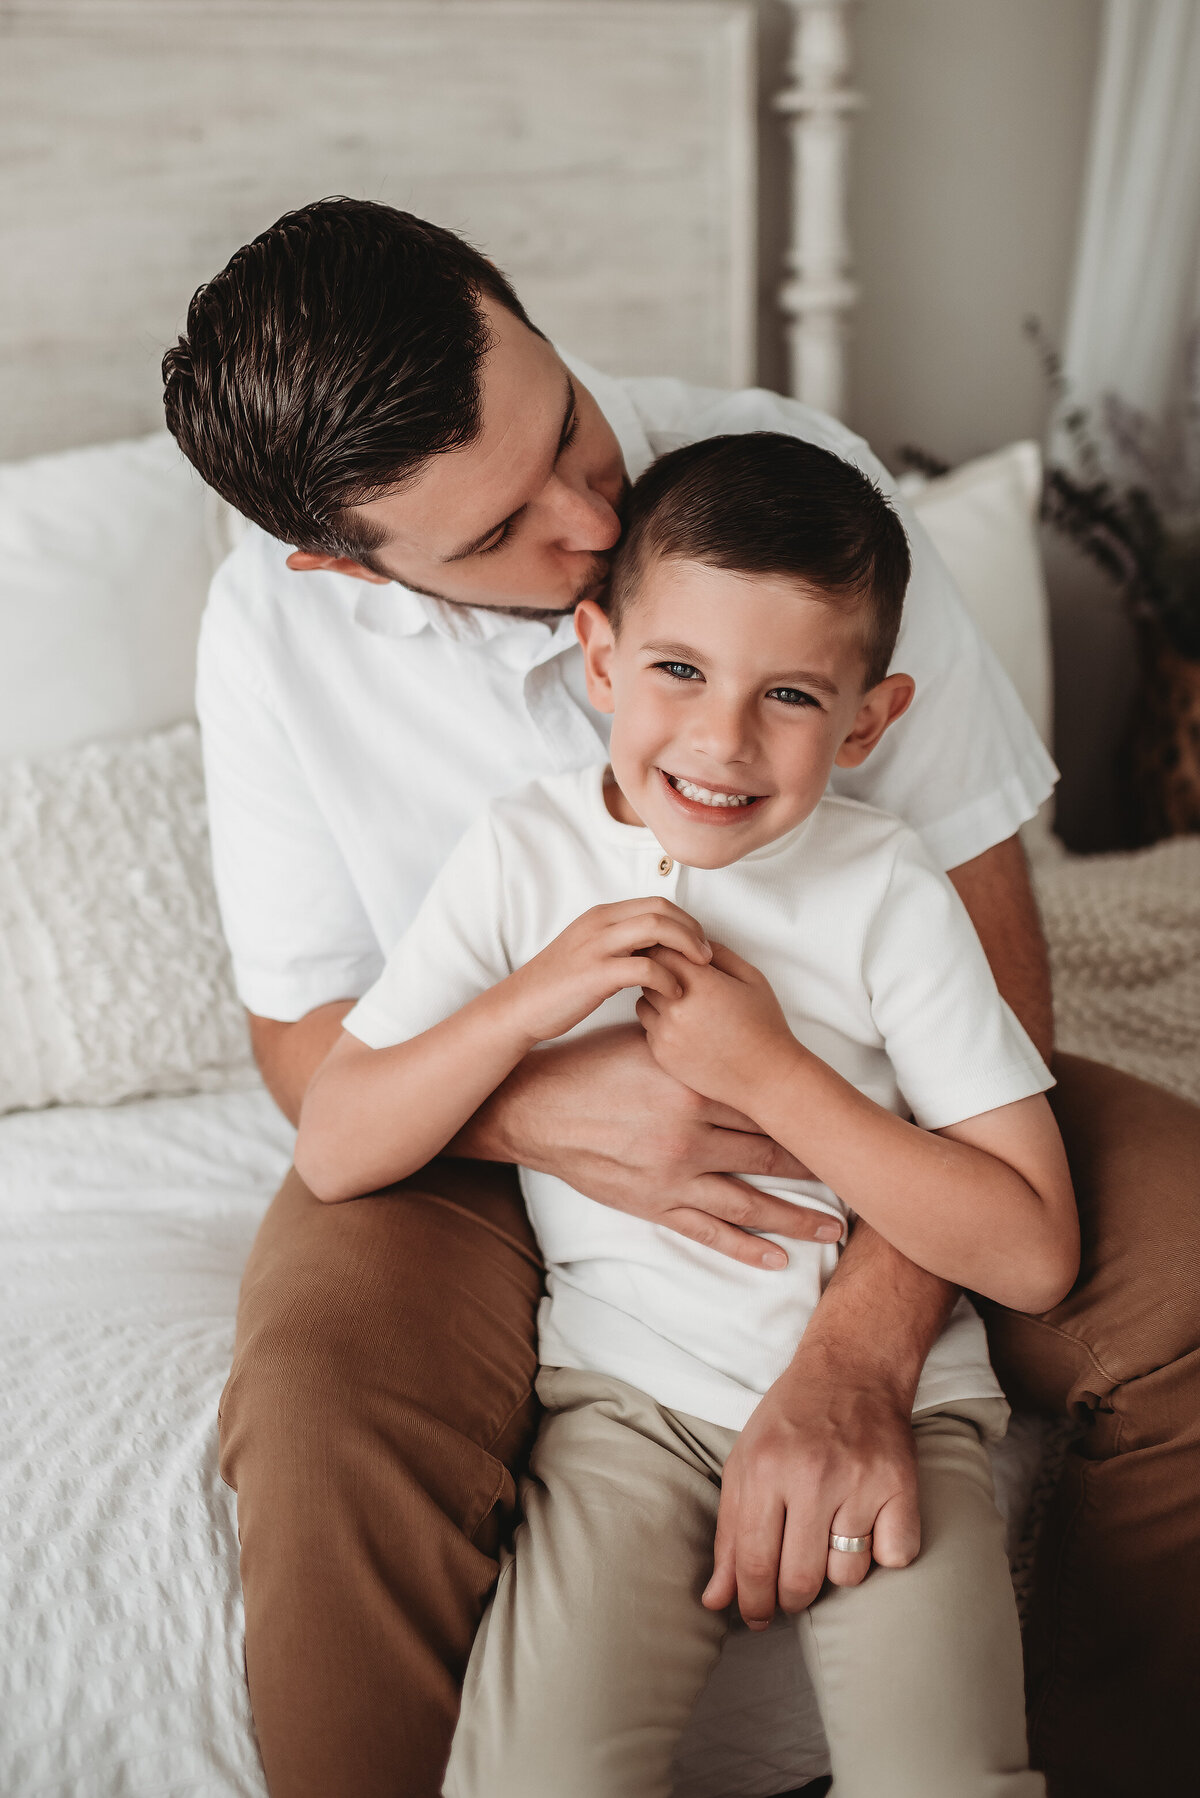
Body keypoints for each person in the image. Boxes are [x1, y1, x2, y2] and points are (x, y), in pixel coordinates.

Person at [162, 198, 1200, 1798]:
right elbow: (315, 1050)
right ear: (335, 557)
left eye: (567, 426)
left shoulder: (787, 495)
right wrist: (557, 1110)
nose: (589, 519)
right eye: (502, 533)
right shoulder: (277, 634)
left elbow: (993, 981)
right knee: (320, 1408)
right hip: (481, 1139)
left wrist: (859, 1348)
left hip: (873, 1096)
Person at [294, 432, 1078, 1798]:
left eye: (788, 693)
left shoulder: (889, 890)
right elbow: (336, 1141)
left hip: (903, 1409)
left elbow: (1031, 1249)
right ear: (598, 659)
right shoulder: (520, 855)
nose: (721, 740)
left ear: (869, 720)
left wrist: (771, 1072)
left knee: (949, 1775)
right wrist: (526, 1003)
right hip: (624, 1408)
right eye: (677, 671)